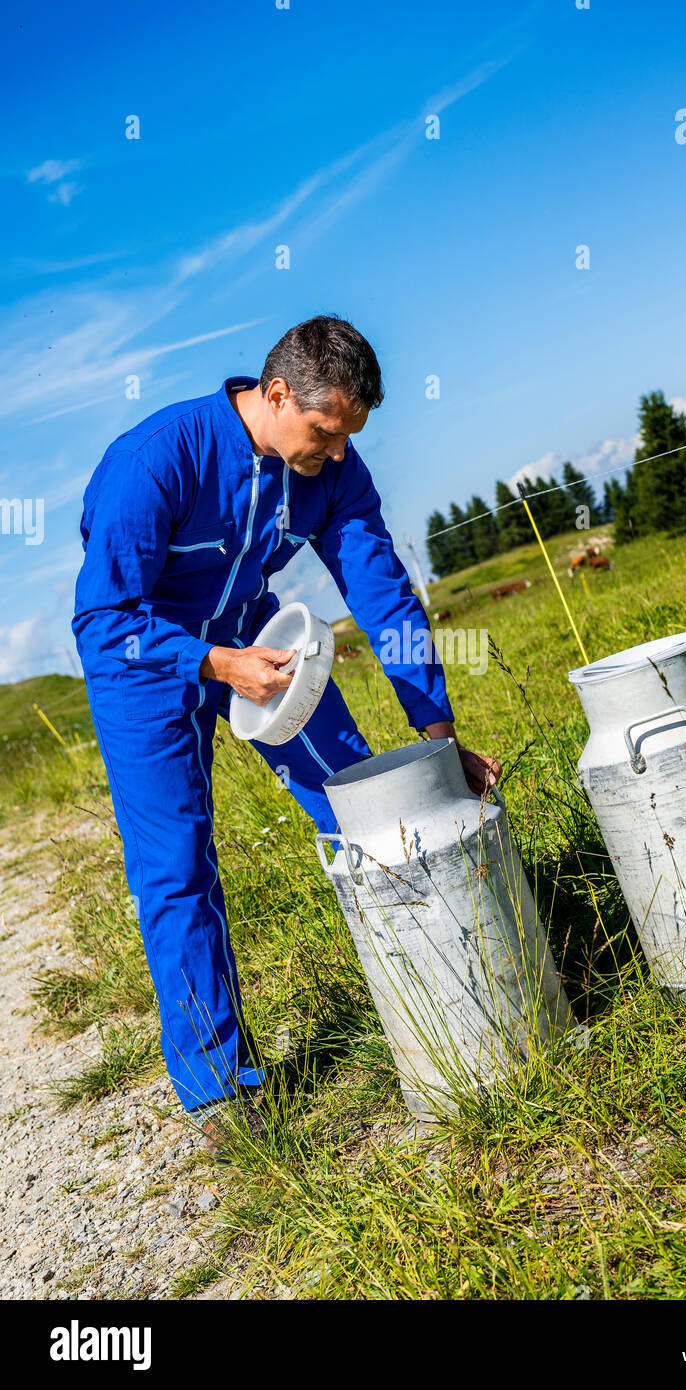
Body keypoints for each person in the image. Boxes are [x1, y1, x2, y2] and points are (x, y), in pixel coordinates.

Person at [72, 315, 501, 1143]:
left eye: (349, 436)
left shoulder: (333, 469)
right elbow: (102, 621)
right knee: (177, 869)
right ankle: (221, 1092)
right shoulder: (155, 460)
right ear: (275, 395)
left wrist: (437, 729)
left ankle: (453, 993)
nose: (337, 453)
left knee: (366, 806)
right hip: (145, 665)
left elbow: (382, 592)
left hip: (260, 641)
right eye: (325, 431)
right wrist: (212, 662)